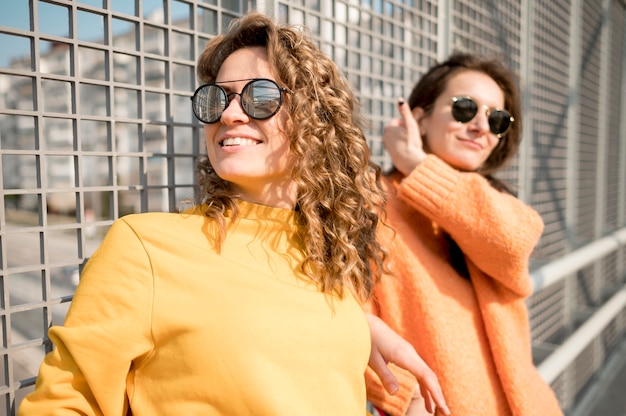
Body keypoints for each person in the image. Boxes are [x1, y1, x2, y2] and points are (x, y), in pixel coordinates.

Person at [18, 12, 448, 415]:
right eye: (216, 98)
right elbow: (63, 402)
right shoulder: (147, 248)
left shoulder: (331, 255)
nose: (228, 113)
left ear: (315, 120)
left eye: (260, 97)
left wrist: (365, 330)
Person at [365, 53, 564, 416]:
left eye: (497, 119)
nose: (481, 126)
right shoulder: (370, 202)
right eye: (464, 108)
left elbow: (514, 240)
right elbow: (347, 317)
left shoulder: (496, 204)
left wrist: (415, 164)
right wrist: (407, 395)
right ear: (418, 117)